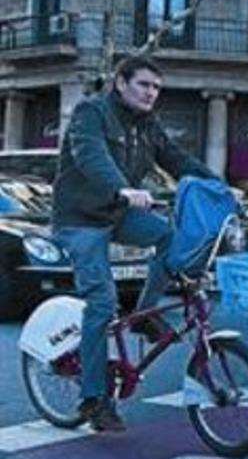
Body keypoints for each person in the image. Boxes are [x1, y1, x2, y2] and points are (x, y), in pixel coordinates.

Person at [52, 55, 220, 433]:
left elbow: (176, 159)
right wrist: (122, 188)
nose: (152, 93)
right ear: (120, 83)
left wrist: (218, 185)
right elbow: (90, 154)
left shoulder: (148, 124)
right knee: (102, 302)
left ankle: (146, 316)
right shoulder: (90, 113)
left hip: (117, 213)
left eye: (157, 87)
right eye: (144, 84)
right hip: (80, 219)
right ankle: (95, 399)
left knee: (169, 236)